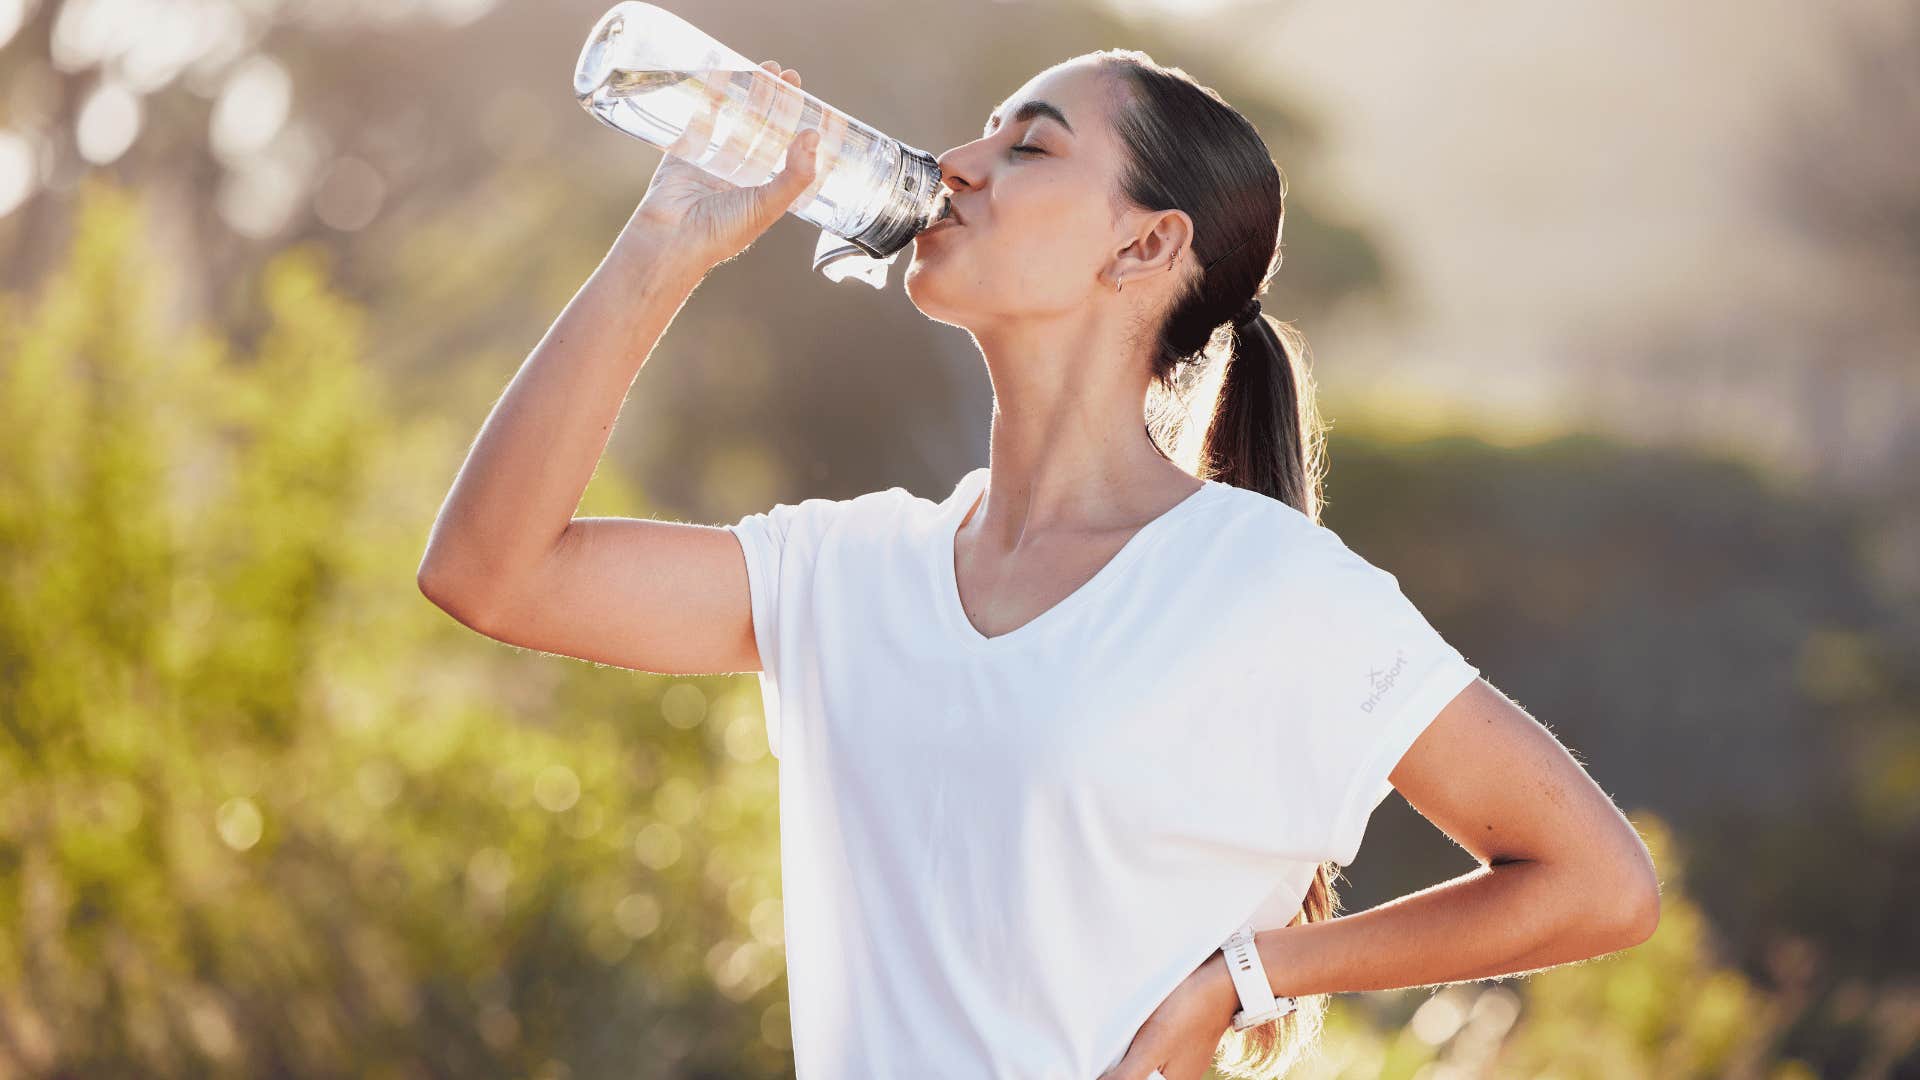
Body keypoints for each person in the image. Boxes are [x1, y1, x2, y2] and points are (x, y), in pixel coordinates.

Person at [418, 51, 1662, 1080]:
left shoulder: (1269, 589)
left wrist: (1251, 976)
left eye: (1030, 146)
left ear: (1144, 247)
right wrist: (662, 244)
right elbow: (492, 575)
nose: (955, 164)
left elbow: (1597, 883)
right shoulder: (849, 570)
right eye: (982, 136)